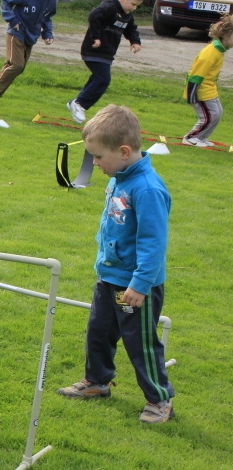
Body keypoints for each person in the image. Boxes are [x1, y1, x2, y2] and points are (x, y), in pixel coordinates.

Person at [56, 105, 175, 424]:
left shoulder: (147, 188)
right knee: (98, 331)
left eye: (97, 157)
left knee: (140, 343)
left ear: (123, 151)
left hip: (134, 286)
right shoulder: (120, 177)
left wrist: (140, 284)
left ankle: (159, 399)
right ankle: (97, 381)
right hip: (109, 278)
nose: (94, 164)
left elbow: (153, 242)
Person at [66, 0, 143, 124]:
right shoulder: (110, 7)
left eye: (137, 6)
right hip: (94, 50)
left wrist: (135, 41)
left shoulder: (127, 15)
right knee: (103, 78)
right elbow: (94, 16)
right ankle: (79, 104)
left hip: (107, 53)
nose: (134, 8)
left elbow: (131, 28)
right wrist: (96, 37)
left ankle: (76, 102)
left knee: (98, 78)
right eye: (133, 4)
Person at [182, 13, 233, 147]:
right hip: (201, 91)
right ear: (227, 35)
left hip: (210, 89)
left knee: (217, 113)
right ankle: (190, 137)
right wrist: (191, 94)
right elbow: (196, 75)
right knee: (209, 116)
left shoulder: (220, 50)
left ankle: (202, 137)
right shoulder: (211, 52)